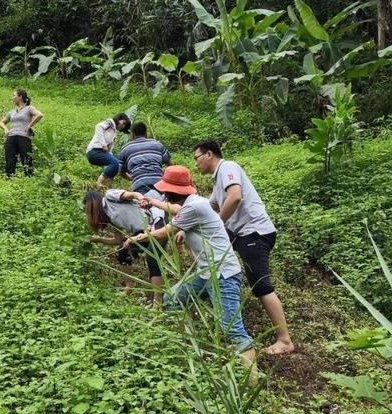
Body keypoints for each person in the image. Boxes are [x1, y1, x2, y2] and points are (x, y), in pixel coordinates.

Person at [124, 165, 255, 364]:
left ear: (173, 191)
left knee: (233, 330)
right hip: (205, 273)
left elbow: (164, 231)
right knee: (172, 299)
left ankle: (250, 379)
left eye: (166, 191)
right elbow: (175, 209)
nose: (164, 195)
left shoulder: (194, 207)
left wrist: (137, 238)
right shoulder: (194, 202)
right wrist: (153, 202)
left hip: (222, 274)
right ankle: (190, 345)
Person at [193, 140, 294, 355]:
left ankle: (285, 340)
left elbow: (235, 196)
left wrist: (217, 224)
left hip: (254, 233)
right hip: (240, 233)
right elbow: (209, 206)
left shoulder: (228, 167)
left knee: (261, 285)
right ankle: (206, 294)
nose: (196, 163)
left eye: (197, 158)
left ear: (209, 154)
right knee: (212, 255)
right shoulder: (217, 179)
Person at [84, 189, 166, 307]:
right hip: (140, 232)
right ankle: (129, 286)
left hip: (153, 222)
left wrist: (141, 199)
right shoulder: (107, 218)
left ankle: (157, 303)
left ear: (91, 204)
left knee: (152, 259)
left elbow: (132, 195)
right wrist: (97, 239)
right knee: (123, 253)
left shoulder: (110, 197)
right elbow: (118, 241)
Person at [0, 89, 43, 177]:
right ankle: (9, 178)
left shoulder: (29, 108)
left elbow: (39, 115)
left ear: (20, 97)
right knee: (10, 159)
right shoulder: (12, 112)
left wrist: (30, 125)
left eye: (14, 95)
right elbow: (1, 122)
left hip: (24, 137)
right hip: (11, 137)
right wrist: (6, 130)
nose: (12, 98)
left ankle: (29, 178)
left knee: (26, 159)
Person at [119, 121, 171, 194]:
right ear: (146, 133)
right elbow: (170, 165)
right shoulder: (157, 144)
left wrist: (132, 178)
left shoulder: (125, 148)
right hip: (159, 182)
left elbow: (120, 172)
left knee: (143, 203)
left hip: (139, 184)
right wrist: (161, 172)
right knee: (161, 204)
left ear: (132, 134)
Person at [85, 113, 131, 188]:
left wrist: (109, 153)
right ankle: (99, 183)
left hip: (102, 152)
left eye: (124, 125)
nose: (123, 126)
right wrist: (103, 144)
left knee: (122, 160)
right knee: (114, 163)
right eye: (123, 123)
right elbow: (98, 126)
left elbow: (109, 149)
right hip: (94, 151)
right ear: (119, 119)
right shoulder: (110, 123)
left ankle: (108, 184)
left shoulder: (114, 131)